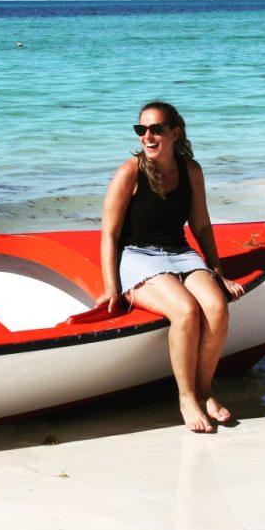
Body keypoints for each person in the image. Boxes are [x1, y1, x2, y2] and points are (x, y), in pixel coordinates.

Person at [98, 101, 245, 433]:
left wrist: (218, 273)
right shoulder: (130, 172)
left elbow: (202, 226)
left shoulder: (191, 170)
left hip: (181, 254)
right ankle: (186, 397)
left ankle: (205, 390)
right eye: (141, 130)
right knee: (186, 311)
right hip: (138, 257)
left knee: (217, 307)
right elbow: (109, 232)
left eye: (156, 129)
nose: (147, 136)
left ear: (175, 132)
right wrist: (111, 287)